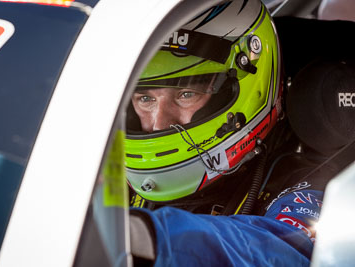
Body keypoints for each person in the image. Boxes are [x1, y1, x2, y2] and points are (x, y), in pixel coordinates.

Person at [124, 0, 355, 266]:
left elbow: (286, 249)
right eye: (145, 99)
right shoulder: (106, 165)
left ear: (249, 92)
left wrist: (144, 238)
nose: (159, 124)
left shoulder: (308, 177)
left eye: (186, 94)